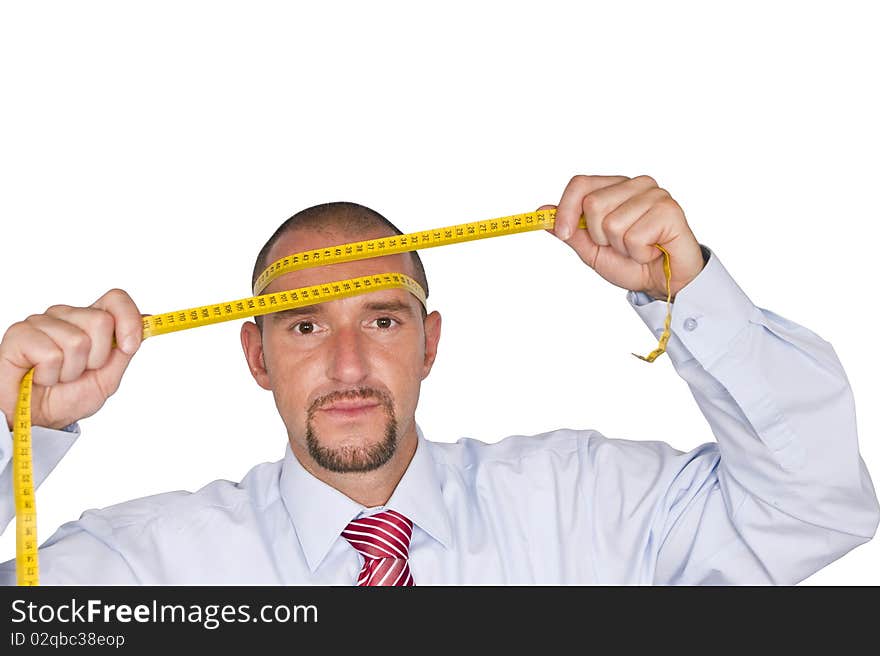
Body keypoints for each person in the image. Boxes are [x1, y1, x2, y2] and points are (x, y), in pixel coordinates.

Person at [0, 174, 877, 585]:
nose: (348, 366)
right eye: (306, 327)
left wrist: (689, 294)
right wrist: (13, 429)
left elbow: (818, 506)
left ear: (429, 344)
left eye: (381, 321)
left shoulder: (593, 509)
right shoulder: (144, 568)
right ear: (256, 358)